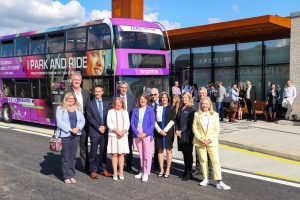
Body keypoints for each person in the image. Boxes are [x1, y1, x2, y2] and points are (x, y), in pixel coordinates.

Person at [192, 97, 231, 190]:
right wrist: (201, 139)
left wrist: (209, 140)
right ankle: (205, 178)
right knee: (203, 161)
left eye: (206, 103)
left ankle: (219, 181)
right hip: (200, 141)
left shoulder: (215, 115)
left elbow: (217, 130)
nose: (204, 105)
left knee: (215, 161)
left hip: (211, 142)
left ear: (210, 105)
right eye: (203, 104)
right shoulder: (197, 114)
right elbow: (194, 128)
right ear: (201, 105)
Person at [55, 92, 85, 184]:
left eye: (72, 98)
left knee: (73, 156)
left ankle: (71, 175)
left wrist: (78, 128)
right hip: (65, 135)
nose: (71, 100)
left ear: (74, 99)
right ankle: (66, 176)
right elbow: (59, 122)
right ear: (65, 99)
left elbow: (83, 120)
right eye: (69, 98)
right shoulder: (60, 108)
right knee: (65, 156)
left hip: (76, 135)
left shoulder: (78, 108)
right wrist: (70, 129)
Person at [65, 72, 90, 172]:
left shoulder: (86, 93)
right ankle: (69, 168)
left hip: (83, 123)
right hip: (71, 123)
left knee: (83, 145)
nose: (76, 81)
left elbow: (88, 109)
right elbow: (64, 108)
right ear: (72, 81)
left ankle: (85, 167)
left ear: (81, 81)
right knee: (71, 147)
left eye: (78, 80)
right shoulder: (67, 93)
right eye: (75, 80)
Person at [86, 85, 112, 179]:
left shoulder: (107, 103)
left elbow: (109, 117)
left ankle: (103, 169)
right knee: (93, 151)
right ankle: (92, 171)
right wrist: (98, 127)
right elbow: (89, 117)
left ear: (102, 92)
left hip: (105, 131)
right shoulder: (89, 104)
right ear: (94, 92)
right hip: (94, 131)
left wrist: (105, 126)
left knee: (103, 151)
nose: (97, 93)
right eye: (96, 91)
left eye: (99, 91)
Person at [131, 94, 155, 182]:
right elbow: (132, 123)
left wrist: (146, 133)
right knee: (141, 154)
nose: (143, 101)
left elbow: (152, 124)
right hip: (137, 133)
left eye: (144, 99)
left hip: (147, 133)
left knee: (147, 155)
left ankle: (146, 173)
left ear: (147, 100)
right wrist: (137, 133)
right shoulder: (135, 110)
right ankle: (142, 171)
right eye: (141, 99)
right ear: (139, 100)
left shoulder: (150, 110)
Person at [116, 81, 137, 174]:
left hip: (129, 128)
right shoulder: (114, 98)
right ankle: (117, 167)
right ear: (119, 88)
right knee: (118, 147)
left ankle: (128, 166)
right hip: (118, 128)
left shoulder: (132, 99)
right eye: (122, 87)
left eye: (125, 88)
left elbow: (134, 113)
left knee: (128, 147)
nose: (123, 89)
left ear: (127, 89)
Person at [107, 97, 130, 181]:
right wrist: (117, 131)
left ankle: (121, 172)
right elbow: (109, 123)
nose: (119, 104)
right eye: (117, 102)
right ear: (114, 103)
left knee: (121, 154)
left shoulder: (125, 112)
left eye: (120, 102)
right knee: (114, 154)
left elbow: (127, 123)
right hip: (113, 135)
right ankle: (115, 173)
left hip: (123, 135)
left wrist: (123, 132)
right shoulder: (110, 112)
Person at [175, 92, 196, 181]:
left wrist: (181, 131)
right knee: (184, 153)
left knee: (188, 154)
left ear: (189, 98)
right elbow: (176, 120)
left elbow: (189, 123)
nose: (184, 99)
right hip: (180, 135)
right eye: (183, 98)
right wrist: (176, 129)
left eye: (186, 98)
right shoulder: (180, 108)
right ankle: (185, 170)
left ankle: (189, 172)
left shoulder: (192, 109)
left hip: (187, 135)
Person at [154, 92, 175, 178]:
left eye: (165, 97)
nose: (164, 99)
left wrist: (165, 130)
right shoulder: (157, 108)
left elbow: (172, 120)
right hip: (158, 132)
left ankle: (168, 169)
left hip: (168, 132)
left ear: (168, 98)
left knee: (168, 151)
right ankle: (162, 169)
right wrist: (159, 130)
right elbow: (154, 120)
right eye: (162, 97)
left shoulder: (172, 108)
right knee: (160, 151)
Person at [150, 87, 160, 172]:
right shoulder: (149, 103)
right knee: (149, 146)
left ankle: (157, 165)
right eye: (151, 95)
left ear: (158, 94)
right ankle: (148, 163)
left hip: (159, 128)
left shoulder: (162, 102)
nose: (153, 96)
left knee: (158, 147)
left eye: (155, 94)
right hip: (150, 128)